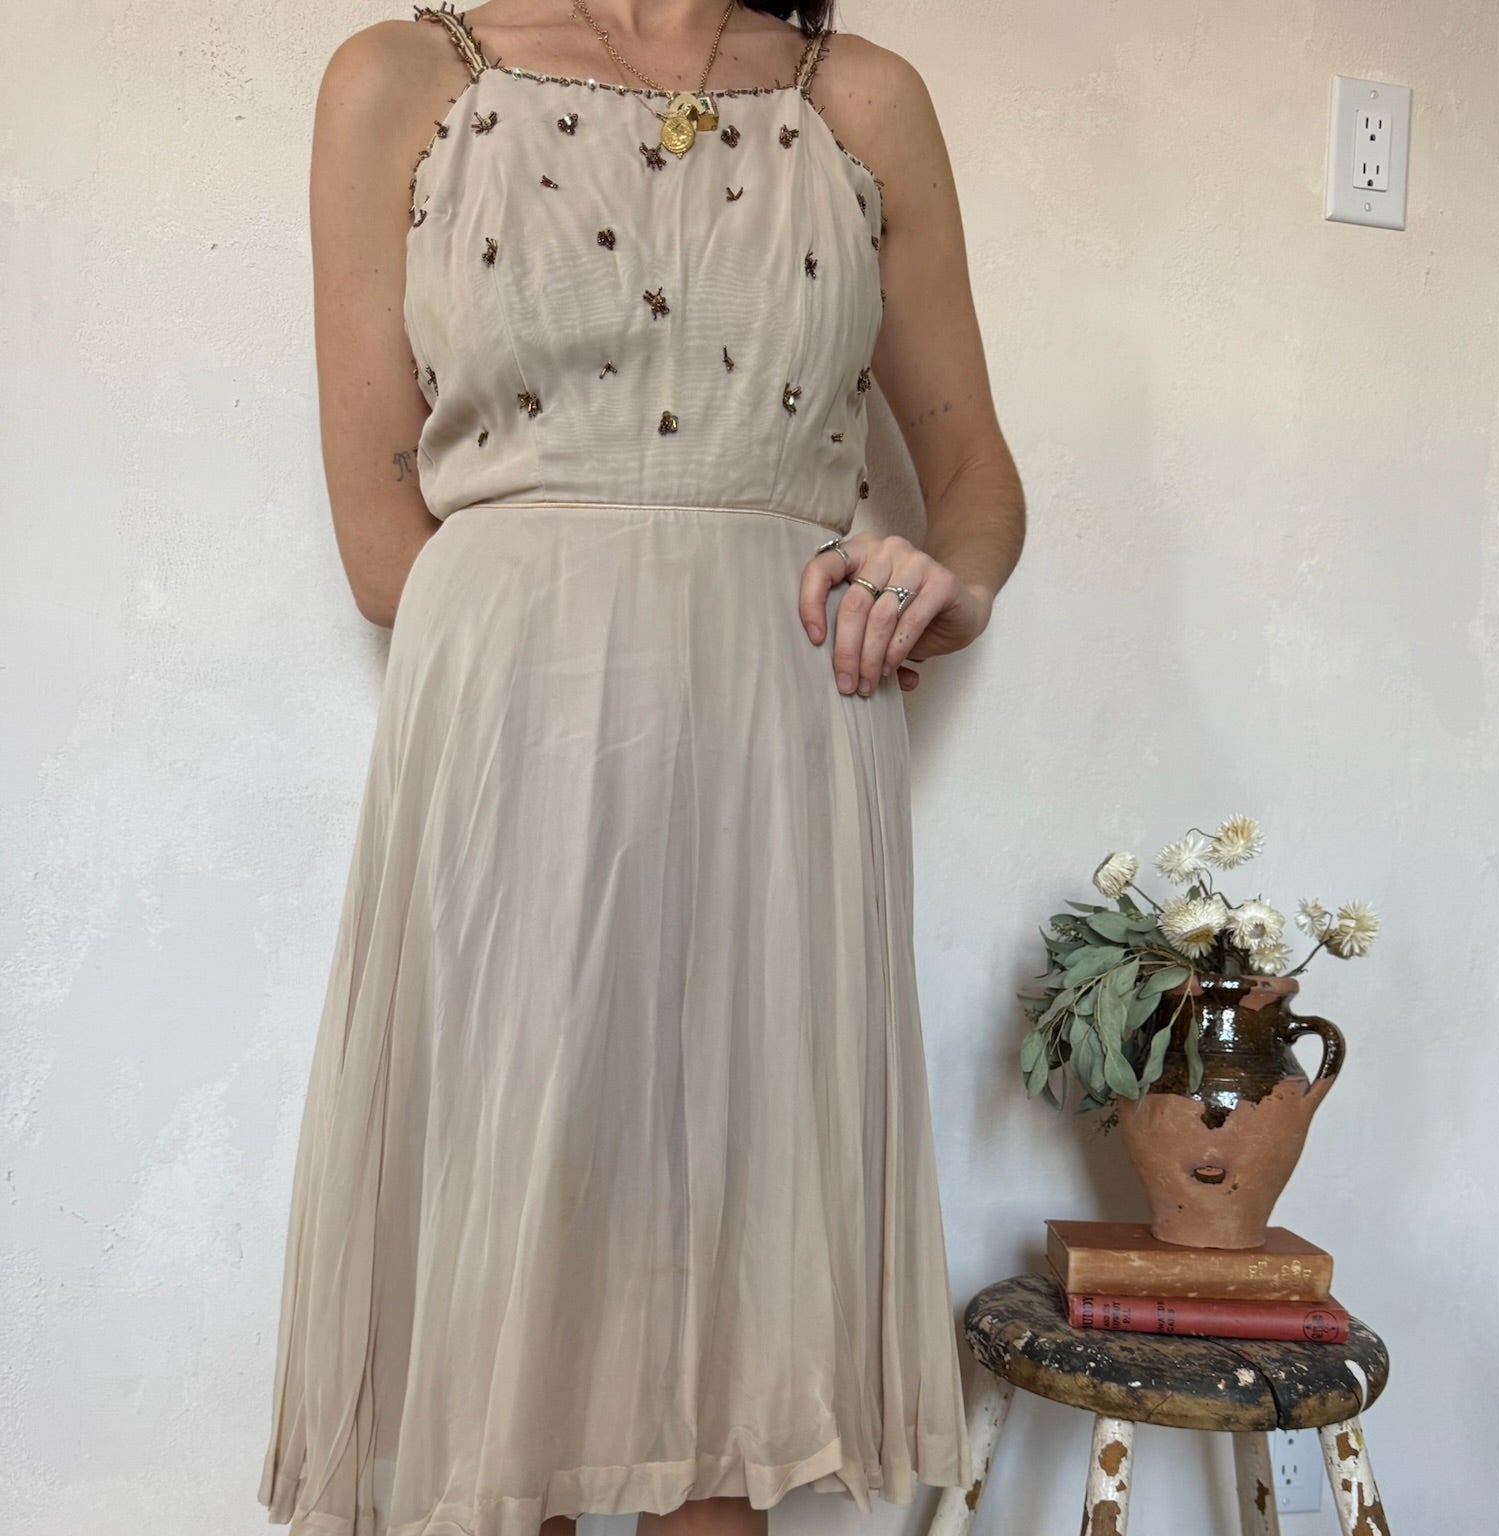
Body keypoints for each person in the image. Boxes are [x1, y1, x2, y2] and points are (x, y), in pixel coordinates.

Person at [257, 3, 1026, 1534]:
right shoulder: (403, 80)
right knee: (522, 1248)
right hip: (513, 732)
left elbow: (976, 478)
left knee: (736, 1269)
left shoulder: (862, 99)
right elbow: (379, 540)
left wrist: (957, 582)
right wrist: (578, 638)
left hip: (784, 734)